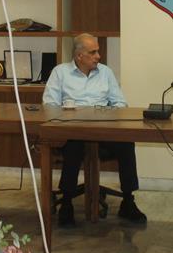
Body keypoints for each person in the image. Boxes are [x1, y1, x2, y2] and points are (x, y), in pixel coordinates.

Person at [43, 33, 146, 228]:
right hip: (72, 130)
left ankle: (128, 200)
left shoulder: (105, 72)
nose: (98, 56)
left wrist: (106, 113)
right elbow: (49, 105)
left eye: (98, 51)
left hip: (102, 130)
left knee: (126, 143)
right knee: (73, 146)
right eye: (93, 52)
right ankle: (67, 203)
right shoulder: (60, 72)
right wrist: (70, 112)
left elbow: (120, 103)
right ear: (79, 56)